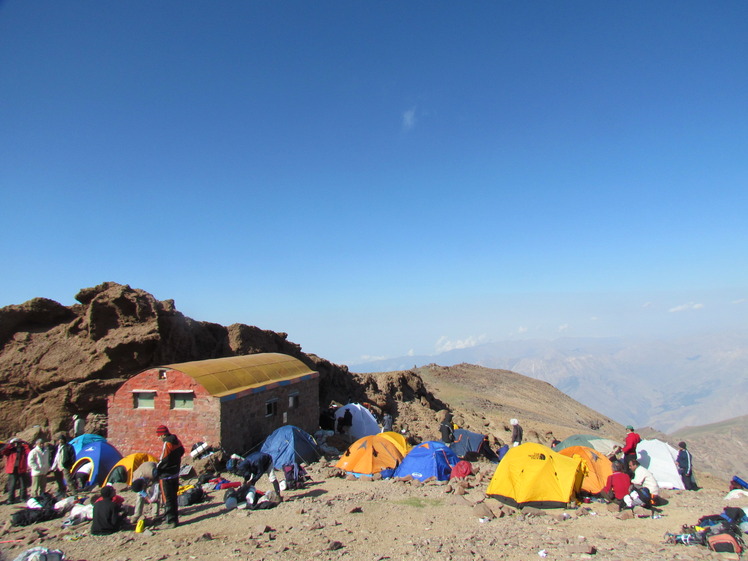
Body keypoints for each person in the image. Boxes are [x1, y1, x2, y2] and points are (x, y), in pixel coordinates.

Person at [155, 425, 184, 529]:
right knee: (173, 497)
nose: (158, 438)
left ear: (162, 435)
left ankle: (170, 521)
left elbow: (164, 459)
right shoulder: (177, 441)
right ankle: (174, 519)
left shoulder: (167, 443)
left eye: (159, 436)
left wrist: (157, 468)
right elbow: (182, 451)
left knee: (167, 499)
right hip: (175, 472)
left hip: (166, 475)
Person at [2, 438, 30, 504]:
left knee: (23, 485)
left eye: (19, 443)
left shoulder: (23, 449)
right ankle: (11, 499)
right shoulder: (11, 450)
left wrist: (25, 444)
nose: (17, 444)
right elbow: (3, 451)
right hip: (12, 470)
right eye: (16, 443)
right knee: (12, 485)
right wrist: (10, 445)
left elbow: (29, 452)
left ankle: (23, 498)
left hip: (21, 469)